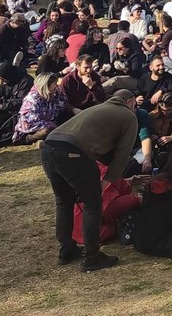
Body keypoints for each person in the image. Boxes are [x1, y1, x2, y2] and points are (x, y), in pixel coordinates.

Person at [41, 88, 139, 273]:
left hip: (48, 149)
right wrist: (107, 181)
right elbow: (122, 155)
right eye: (135, 105)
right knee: (92, 204)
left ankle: (66, 249)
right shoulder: (128, 116)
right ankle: (91, 256)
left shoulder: (97, 109)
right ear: (130, 101)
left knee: (63, 202)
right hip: (74, 153)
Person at [14, 72, 65, 145]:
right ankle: (29, 139)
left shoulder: (54, 94)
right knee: (46, 131)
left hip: (50, 123)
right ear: (46, 86)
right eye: (55, 84)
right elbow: (30, 121)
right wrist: (51, 125)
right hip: (31, 129)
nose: (57, 86)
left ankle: (40, 142)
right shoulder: (32, 99)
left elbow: (62, 105)